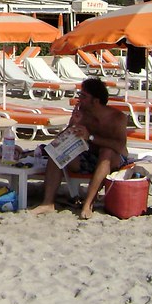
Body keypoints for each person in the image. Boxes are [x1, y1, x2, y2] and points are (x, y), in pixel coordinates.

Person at [31, 77, 130, 220]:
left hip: (114, 160)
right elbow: (60, 140)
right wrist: (73, 124)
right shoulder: (83, 114)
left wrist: (90, 137)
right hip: (88, 156)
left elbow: (119, 146)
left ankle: (88, 204)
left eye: (83, 96)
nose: (79, 99)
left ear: (95, 101)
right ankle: (48, 202)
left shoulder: (117, 118)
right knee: (56, 152)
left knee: (106, 152)